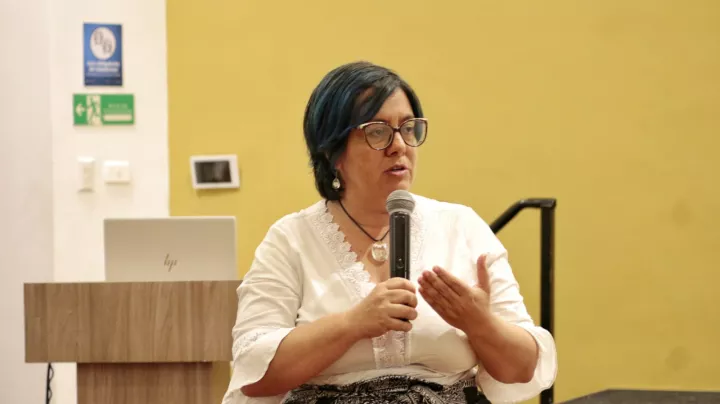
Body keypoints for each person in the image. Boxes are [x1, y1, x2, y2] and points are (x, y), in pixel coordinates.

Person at [221, 61, 557, 404]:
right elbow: (253, 371)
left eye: (408, 128)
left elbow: (522, 369)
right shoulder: (291, 239)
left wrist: (479, 323)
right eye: (378, 131)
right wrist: (353, 324)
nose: (400, 146)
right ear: (332, 151)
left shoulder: (461, 226)